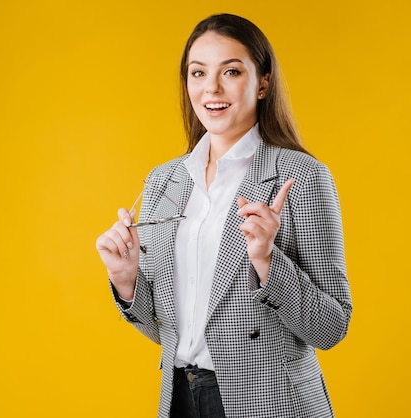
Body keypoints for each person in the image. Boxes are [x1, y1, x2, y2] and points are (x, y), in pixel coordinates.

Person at [95, 13, 352, 418]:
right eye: (198, 73)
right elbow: (168, 332)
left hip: (271, 402)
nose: (210, 88)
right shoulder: (165, 181)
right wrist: (126, 281)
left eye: (231, 71)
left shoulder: (301, 176)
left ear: (263, 82)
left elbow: (332, 327)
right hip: (179, 398)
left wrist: (267, 261)